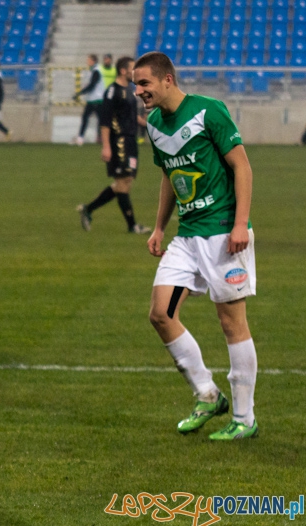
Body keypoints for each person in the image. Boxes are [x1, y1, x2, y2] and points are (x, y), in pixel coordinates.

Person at [135, 51, 259, 440]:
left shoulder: (209, 111)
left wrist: (240, 224)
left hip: (223, 232)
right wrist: (158, 227)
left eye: (144, 83)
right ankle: (207, 393)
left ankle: (244, 419)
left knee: (231, 322)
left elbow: (242, 166)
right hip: (187, 236)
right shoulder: (154, 124)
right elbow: (170, 176)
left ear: (167, 80)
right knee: (160, 313)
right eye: (136, 85)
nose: (138, 91)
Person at [76, 56, 150, 234]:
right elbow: (105, 121)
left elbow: (132, 116)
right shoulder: (112, 92)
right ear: (123, 71)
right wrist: (106, 146)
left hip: (130, 141)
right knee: (123, 183)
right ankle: (132, 226)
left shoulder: (130, 90)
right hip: (120, 142)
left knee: (124, 182)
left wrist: (148, 124)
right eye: (133, 69)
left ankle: (88, 209)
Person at [73, 54, 104, 146]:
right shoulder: (93, 71)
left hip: (96, 100)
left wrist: (80, 93)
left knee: (97, 119)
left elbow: (92, 85)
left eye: (89, 60)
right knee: (88, 118)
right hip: (92, 99)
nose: (87, 62)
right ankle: (81, 138)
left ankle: (82, 138)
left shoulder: (96, 71)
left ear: (93, 61)